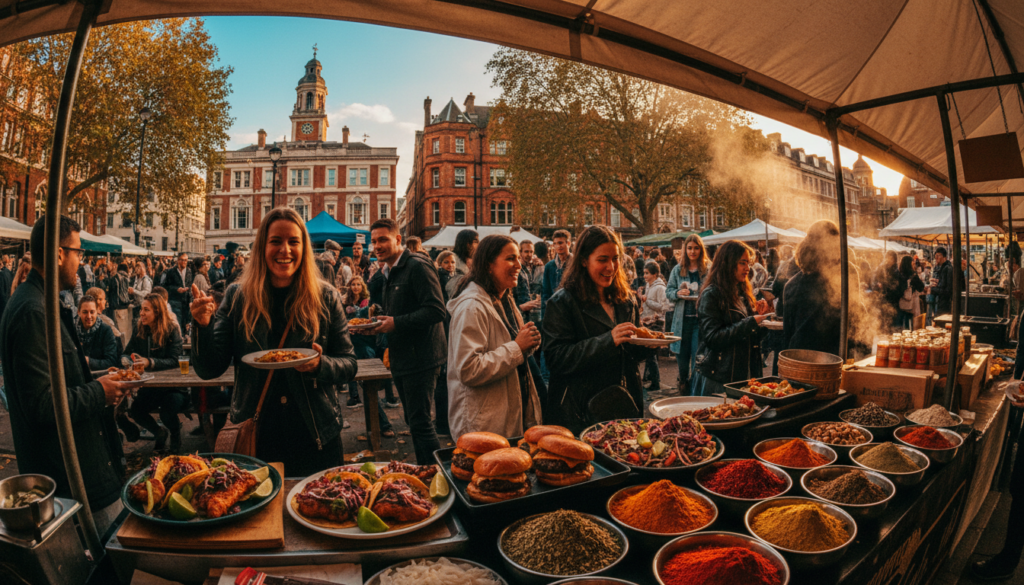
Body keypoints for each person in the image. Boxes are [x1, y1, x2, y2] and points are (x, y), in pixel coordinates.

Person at [190, 207, 358, 475]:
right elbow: (210, 368)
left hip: (315, 435)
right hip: (256, 436)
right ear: (261, 248)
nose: (285, 250)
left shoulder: (325, 296)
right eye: (276, 242)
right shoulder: (237, 296)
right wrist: (202, 326)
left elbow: (349, 364)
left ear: (304, 248)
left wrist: (319, 365)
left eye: (294, 242)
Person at [0, 216, 128, 534]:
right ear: (59, 254)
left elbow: (59, 378)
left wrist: (100, 378)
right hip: (71, 473)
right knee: (115, 558)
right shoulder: (33, 311)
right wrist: (100, 392)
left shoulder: (41, 303)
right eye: (78, 252)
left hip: (79, 468)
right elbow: (42, 404)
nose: (80, 261)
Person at [542, 226, 650, 432]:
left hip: (623, 407)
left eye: (616, 258)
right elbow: (556, 359)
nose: (611, 267)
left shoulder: (626, 299)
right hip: (579, 414)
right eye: (602, 260)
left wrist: (648, 344)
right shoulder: (562, 302)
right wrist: (608, 340)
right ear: (584, 260)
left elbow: (629, 354)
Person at [363, 218, 446, 464]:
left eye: (383, 240)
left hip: (422, 358)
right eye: (374, 241)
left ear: (398, 239)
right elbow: (400, 308)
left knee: (420, 423)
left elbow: (436, 310)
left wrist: (396, 323)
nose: (377, 246)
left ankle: (437, 476)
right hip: (403, 356)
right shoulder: (389, 269)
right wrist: (378, 323)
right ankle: (427, 473)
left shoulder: (417, 266)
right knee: (413, 420)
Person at [447, 235, 543, 438]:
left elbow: (509, 347)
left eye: (518, 258)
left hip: (505, 416)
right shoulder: (472, 307)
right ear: (489, 265)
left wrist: (529, 343)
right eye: (510, 258)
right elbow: (469, 369)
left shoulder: (503, 299)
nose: (519, 265)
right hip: (483, 426)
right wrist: (518, 347)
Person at [691, 240, 772, 395]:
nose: (747, 268)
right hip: (718, 377)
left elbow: (750, 338)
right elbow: (713, 338)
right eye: (743, 263)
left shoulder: (742, 292)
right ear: (727, 263)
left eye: (748, 263)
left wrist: (761, 319)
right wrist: (750, 323)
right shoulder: (711, 294)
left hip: (742, 375)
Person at [781, 220, 860, 356]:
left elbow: (788, 332)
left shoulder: (791, 285)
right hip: (834, 357)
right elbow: (855, 317)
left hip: (800, 356)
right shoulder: (847, 271)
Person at [124, 293, 185, 451]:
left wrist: (150, 362)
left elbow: (175, 360)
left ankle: (175, 435)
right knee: (135, 410)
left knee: (166, 413)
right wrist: (129, 362)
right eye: (141, 309)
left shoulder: (171, 330)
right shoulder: (140, 330)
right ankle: (159, 433)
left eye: (146, 310)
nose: (141, 313)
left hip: (174, 388)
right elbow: (125, 354)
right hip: (151, 387)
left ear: (157, 312)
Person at [666, 234, 709, 395]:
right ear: (685, 250)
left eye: (696, 248)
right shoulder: (678, 269)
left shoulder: (708, 268)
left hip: (700, 322)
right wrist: (678, 292)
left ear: (701, 249)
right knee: (682, 363)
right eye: (689, 248)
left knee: (697, 362)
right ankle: (683, 389)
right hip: (681, 322)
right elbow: (668, 291)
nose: (692, 251)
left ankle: (694, 394)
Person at [640, 262, 670, 391]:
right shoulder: (648, 285)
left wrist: (647, 301)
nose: (644, 275)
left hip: (656, 324)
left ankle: (655, 382)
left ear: (655, 274)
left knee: (651, 354)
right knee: (648, 353)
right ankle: (648, 377)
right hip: (647, 322)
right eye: (644, 273)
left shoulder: (660, 288)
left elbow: (664, 307)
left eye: (647, 273)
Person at [77, 294, 120, 371]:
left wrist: (89, 361)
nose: (89, 316)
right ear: (78, 312)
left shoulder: (105, 330)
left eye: (92, 312)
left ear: (97, 311)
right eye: (85, 312)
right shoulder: (73, 331)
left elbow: (112, 361)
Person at [541, 230, 572, 314]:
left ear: (568, 243)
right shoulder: (549, 266)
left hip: (572, 309)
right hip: (555, 310)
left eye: (560, 243)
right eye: (555, 243)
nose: (558, 246)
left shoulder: (575, 263)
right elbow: (545, 292)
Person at [446, 229, 479, 299]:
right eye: (476, 241)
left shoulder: (471, 262)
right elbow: (452, 290)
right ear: (467, 244)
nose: (479, 244)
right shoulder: (452, 261)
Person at [896, 255, 925, 330]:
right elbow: (921, 287)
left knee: (902, 326)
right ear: (909, 263)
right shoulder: (913, 275)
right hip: (911, 306)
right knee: (910, 325)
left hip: (901, 305)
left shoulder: (899, 275)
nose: (914, 264)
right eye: (913, 262)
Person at [931, 247, 955, 316]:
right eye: (935, 256)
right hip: (942, 303)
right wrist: (938, 282)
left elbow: (947, 290)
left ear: (944, 256)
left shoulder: (947, 268)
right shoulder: (943, 267)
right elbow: (944, 284)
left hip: (944, 304)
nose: (936, 258)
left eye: (938, 256)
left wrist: (933, 289)